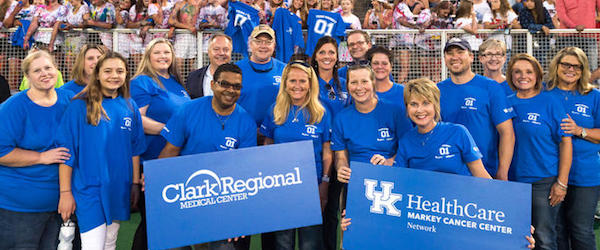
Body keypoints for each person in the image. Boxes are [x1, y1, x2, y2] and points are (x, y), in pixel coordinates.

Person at [159, 63, 255, 250]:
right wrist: (156, 180)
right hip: (186, 193)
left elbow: (245, 172)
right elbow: (170, 151)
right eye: (224, 84)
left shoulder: (246, 123)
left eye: (236, 86)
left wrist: (240, 216)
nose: (230, 90)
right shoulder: (188, 110)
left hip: (222, 201)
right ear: (212, 84)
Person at [56, 51, 145, 250]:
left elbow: (135, 149)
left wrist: (134, 183)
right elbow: (66, 154)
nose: (114, 75)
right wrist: (65, 192)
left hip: (118, 187)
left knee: (110, 242)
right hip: (89, 188)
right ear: (97, 74)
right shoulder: (79, 106)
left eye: (120, 71)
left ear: (126, 75)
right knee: (93, 245)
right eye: (108, 71)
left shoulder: (130, 106)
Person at [0, 50, 72, 250]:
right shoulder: (13, 107)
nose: (44, 73)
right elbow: (1, 151)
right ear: (27, 76)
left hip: (59, 204)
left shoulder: (69, 100)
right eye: (37, 70)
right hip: (19, 206)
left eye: (48, 68)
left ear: (56, 70)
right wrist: (41, 157)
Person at [260, 61, 331, 250]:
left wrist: (324, 183)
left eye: (302, 81)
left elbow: (326, 152)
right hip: (282, 186)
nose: (297, 86)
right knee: (283, 242)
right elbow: (268, 145)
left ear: (310, 84)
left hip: (312, 186)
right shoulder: (275, 110)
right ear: (285, 83)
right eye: (292, 80)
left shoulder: (321, 113)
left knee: (311, 243)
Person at [506, 53, 572, 250]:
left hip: (543, 181)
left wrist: (562, 182)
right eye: (517, 71)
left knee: (544, 237)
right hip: (512, 181)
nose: (523, 76)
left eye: (528, 71)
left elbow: (565, 143)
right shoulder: (506, 101)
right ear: (510, 75)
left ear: (537, 75)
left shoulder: (550, 102)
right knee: (516, 236)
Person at [129, 38, 191, 250]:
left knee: (170, 225)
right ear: (148, 57)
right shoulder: (142, 82)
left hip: (177, 163)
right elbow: (138, 121)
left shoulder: (176, 82)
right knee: (152, 226)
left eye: (167, 52)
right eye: (157, 52)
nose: (163, 56)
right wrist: (170, 131)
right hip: (153, 162)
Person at [545, 47, 600, 250]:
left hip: (584, 175)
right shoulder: (544, 91)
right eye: (566, 64)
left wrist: (580, 130)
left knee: (581, 230)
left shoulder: (593, 96)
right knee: (556, 230)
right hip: (550, 173)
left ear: (583, 69)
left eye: (577, 66)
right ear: (556, 66)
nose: (571, 69)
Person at [438, 37, 515, 180]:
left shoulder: (490, 87)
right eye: (450, 53)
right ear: (444, 58)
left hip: (485, 172)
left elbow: (507, 133)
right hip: (446, 172)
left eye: (460, 52)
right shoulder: (437, 90)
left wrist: (503, 171)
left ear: (471, 57)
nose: (455, 57)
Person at [396, 78, 491, 178]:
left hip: (459, 192)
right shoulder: (405, 141)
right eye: (414, 104)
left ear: (435, 105)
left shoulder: (458, 133)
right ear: (407, 107)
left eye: (426, 103)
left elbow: (481, 175)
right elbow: (400, 179)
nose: (420, 110)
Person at [333, 64, 412, 182]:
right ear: (348, 86)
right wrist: (342, 168)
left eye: (364, 81)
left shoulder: (395, 112)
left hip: (391, 180)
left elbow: (409, 146)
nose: (359, 87)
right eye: (354, 82)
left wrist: (390, 161)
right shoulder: (341, 118)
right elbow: (340, 156)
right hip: (356, 183)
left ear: (373, 82)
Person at [236, 24, 286, 128]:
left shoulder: (285, 70)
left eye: (268, 42)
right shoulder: (236, 70)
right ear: (250, 43)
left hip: (275, 134)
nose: (263, 46)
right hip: (243, 132)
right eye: (258, 41)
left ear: (274, 45)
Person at [311, 36, 349, 115]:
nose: (327, 56)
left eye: (331, 52)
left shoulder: (346, 85)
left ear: (336, 57)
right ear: (315, 57)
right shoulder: (307, 84)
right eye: (322, 52)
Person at [186, 33, 232, 99]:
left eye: (226, 49)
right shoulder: (193, 77)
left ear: (231, 52)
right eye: (216, 49)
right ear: (209, 52)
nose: (221, 53)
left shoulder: (240, 78)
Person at [168, 0, 202, 73]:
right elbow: (171, 21)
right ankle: (178, 83)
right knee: (179, 65)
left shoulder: (200, 3)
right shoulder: (179, 4)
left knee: (192, 67)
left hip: (196, 37)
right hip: (182, 37)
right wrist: (188, 27)